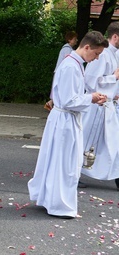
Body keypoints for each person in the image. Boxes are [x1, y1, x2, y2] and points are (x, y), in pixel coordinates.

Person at [28, 31, 109, 219]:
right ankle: (60, 204)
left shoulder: (75, 64)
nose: (96, 59)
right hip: (65, 120)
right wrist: (91, 98)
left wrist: (92, 98)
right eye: (96, 54)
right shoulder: (71, 66)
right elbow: (68, 100)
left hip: (66, 119)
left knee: (59, 160)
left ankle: (51, 198)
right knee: (65, 163)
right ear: (87, 47)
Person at [80, 23, 119, 189]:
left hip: (111, 104)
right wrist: (114, 78)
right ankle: (75, 172)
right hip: (97, 105)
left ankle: (116, 176)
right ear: (115, 36)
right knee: (86, 141)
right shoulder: (102, 54)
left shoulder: (116, 54)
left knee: (112, 143)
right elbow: (90, 80)